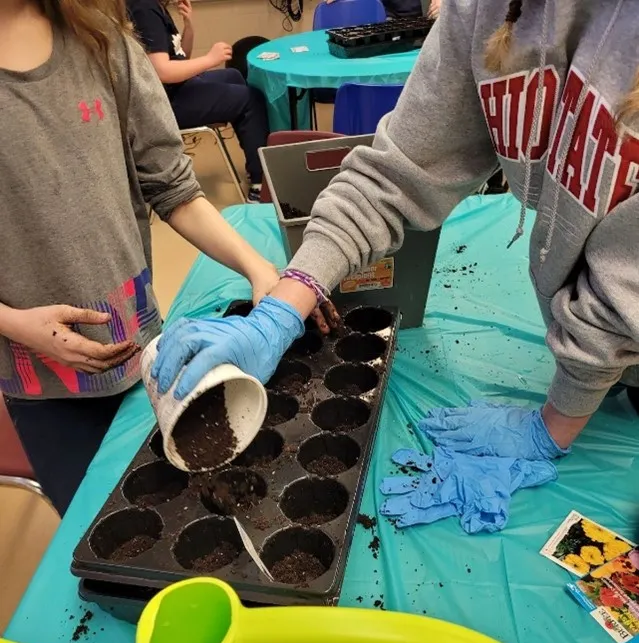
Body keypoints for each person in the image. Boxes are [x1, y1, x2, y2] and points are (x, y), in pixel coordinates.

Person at [152, 0, 639, 530]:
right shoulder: (485, 12)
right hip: (595, 339)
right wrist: (283, 309)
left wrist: (555, 425)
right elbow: (396, 175)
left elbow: (627, 278)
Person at [0, 0, 280, 516]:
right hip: (45, 387)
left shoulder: (101, 43)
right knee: (106, 527)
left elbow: (171, 185)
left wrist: (256, 267)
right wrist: (15, 322)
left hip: (144, 353)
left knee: (183, 513)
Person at [127, 0, 269, 202]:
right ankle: (259, 186)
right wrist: (211, 59)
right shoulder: (144, 8)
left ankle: (256, 164)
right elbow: (162, 71)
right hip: (164, 104)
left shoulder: (155, 7)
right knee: (250, 99)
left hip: (176, 89)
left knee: (233, 76)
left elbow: (180, 59)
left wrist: (188, 26)